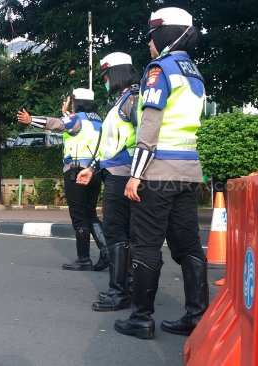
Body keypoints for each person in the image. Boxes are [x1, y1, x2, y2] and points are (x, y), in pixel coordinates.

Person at [114, 7, 208, 339]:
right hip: (188, 173)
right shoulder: (193, 71)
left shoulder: (159, 69)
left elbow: (150, 126)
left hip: (156, 173)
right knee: (189, 247)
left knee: (146, 245)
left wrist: (135, 175)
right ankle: (197, 317)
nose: (149, 45)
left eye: (152, 38)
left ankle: (141, 319)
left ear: (164, 35)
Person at [17, 88, 108, 271]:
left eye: (73, 101)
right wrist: (66, 112)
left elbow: (56, 124)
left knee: (79, 217)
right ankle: (107, 251)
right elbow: (74, 127)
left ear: (78, 102)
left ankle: (83, 259)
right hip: (95, 171)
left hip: (76, 173)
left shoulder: (76, 119)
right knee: (90, 214)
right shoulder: (98, 121)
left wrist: (31, 119)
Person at [76, 52, 140, 311]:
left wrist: (137, 175)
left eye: (106, 75)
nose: (104, 80)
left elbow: (147, 137)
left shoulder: (133, 100)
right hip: (115, 174)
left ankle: (120, 291)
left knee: (116, 232)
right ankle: (128, 286)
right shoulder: (123, 100)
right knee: (124, 233)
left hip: (123, 177)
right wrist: (93, 169)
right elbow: (105, 145)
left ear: (117, 73)